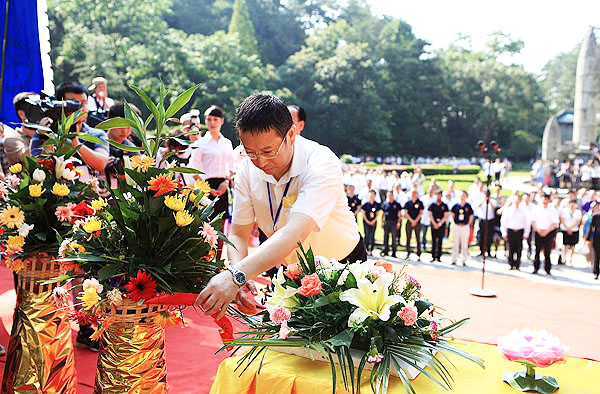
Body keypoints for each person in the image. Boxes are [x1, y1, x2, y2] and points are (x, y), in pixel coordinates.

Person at [195, 93, 365, 318]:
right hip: (291, 271)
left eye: (268, 151)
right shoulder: (247, 168)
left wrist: (236, 275)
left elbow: (295, 233)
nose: (261, 162)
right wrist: (240, 279)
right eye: (251, 152)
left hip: (343, 266)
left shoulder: (321, 162)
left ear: (291, 134)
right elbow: (238, 232)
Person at [30, 81, 109, 180]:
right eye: (74, 104)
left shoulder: (97, 134)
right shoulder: (44, 132)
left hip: (88, 192)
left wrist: (75, 142)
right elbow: (39, 169)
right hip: (56, 192)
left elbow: (101, 163)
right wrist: (47, 138)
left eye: (84, 103)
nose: (81, 109)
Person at [189, 105, 234, 259]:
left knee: (220, 226)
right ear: (205, 121)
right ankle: (203, 262)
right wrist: (207, 189)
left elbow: (232, 167)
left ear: (222, 121)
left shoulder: (227, 143)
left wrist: (226, 182)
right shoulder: (200, 143)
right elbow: (193, 169)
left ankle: (219, 263)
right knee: (205, 226)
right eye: (209, 119)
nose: (212, 122)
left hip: (223, 186)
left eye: (215, 119)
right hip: (206, 187)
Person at [104, 102, 141, 188]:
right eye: (120, 126)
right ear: (110, 122)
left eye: (128, 126)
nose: (125, 131)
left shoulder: (132, 150)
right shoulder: (97, 143)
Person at [500, 193, 531, 270]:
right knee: (510, 248)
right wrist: (504, 232)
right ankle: (511, 264)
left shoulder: (524, 210)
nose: (517, 201)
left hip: (520, 231)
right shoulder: (508, 210)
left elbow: (527, 222)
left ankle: (517, 265)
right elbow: (503, 221)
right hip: (510, 231)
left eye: (519, 200)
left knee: (519, 249)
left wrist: (526, 233)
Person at [5, 92, 37, 165]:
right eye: (36, 109)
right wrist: (41, 135)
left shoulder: (52, 134)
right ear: (21, 114)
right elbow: (26, 156)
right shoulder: (11, 139)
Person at [531, 193, 559, 275]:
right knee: (537, 251)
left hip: (548, 233)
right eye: (543, 198)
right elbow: (533, 221)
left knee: (547, 252)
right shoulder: (536, 208)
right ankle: (536, 268)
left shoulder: (552, 210)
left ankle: (547, 269)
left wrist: (546, 231)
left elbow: (554, 223)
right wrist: (538, 230)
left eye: (546, 199)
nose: (545, 200)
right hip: (538, 231)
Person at [451, 191, 474, 266]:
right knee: (455, 243)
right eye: (461, 195)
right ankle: (454, 259)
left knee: (464, 244)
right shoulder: (456, 206)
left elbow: (471, 216)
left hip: (465, 226)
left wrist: (467, 223)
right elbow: (453, 215)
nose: (462, 197)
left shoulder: (468, 206)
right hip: (457, 225)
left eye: (464, 195)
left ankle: (464, 259)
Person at [559, 199, 582, 266]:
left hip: (574, 230)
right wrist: (567, 228)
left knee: (573, 245)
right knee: (565, 244)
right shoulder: (564, 211)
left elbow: (578, 222)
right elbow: (562, 219)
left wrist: (571, 228)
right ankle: (564, 258)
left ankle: (571, 259)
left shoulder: (578, 212)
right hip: (565, 229)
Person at [429, 190, 449, 262]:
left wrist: (440, 223)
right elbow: (430, 215)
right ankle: (433, 256)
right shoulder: (432, 205)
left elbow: (445, 216)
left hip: (441, 225)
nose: (438, 196)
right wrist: (434, 223)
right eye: (437, 195)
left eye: (440, 195)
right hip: (433, 225)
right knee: (433, 240)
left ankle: (439, 256)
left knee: (440, 241)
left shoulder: (444, 205)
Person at [380, 190, 402, 257]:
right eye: (389, 195)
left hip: (394, 223)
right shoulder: (385, 204)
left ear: (393, 196)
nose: (390, 196)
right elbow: (383, 214)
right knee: (385, 237)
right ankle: (386, 251)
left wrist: (398, 223)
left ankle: (394, 252)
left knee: (393, 238)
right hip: (386, 222)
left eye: (391, 195)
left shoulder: (397, 204)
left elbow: (399, 215)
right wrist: (382, 222)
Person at [404, 189, 424, 259]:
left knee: (418, 238)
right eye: (412, 193)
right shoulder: (408, 203)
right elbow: (406, 213)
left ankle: (418, 253)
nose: (413, 195)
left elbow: (421, 213)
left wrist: (415, 221)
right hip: (409, 222)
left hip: (417, 223)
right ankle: (407, 252)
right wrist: (412, 221)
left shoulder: (420, 203)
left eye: (415, 193)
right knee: (408, 238)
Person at [477, 190, 496, 258]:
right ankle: (481, 250)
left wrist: (489, 201)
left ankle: (488, 251)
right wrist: (484, 200)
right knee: (481, 236)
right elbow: (478, 205)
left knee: (489, 237)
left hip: (490, 220)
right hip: (482, 220)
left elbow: (494, 208)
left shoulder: (493, 200)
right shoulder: (481, 200)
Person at [586, 202, 600, 280]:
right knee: (596, 256)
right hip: (597, 238)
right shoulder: (596, 216)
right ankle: (596, 272)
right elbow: (591, 227)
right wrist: (588, 239)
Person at [420, 186, 435, 253]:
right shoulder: (423, 198)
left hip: (432, 219)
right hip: (425, 217)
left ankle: (433, 246)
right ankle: (423, 245)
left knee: (433, 234)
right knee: (424, 233)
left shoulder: (435, 199)